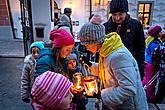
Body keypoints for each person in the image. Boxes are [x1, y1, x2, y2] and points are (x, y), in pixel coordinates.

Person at [79, 14, 148, 110]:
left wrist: (101, 95)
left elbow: (128, 89)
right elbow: (107, 70)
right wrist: (90, 64)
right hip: (118, 105)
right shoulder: (107, 50)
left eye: (86, 45)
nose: (86, 48)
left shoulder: (119, 56)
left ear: (94, 41)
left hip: (131, 106)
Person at [103, 0, 145, 79]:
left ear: (126, 13)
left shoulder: (135, 25)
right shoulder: (105, 27)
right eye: (114, 14)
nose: (117, 18)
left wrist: (140, 68)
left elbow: (140, 48)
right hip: (111, 68)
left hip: (130, 66)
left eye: (120, 14)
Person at [142, 25, 162, 102]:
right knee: (151, 81)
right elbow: (156, 54)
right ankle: (149, 96)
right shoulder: (155, 43)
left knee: (147, 78)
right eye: (160, 31)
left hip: (148, 62)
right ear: (156, 33)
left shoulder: (149, 39)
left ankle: (143, 92)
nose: (161, 32)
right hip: (152, 64)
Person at [152, 33, 165, 103]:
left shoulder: (161, 46)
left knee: (161, 89)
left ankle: (157, 103)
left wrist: (158, 64)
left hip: (163, 71)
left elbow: (154, 56)